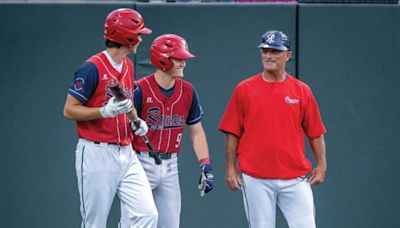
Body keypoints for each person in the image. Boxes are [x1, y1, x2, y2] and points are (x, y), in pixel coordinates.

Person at [218, 30, 327, 228]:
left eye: (275, 51)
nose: (268, 55)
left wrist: (321, 164)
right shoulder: (244, 89)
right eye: (265, 50)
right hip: (256, 177)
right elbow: (232, 131)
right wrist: (230, 167)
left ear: (287, 55)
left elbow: (315, 132)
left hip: (295, 177)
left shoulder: (302, 90)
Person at [63, 8, 158, 228]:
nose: (141, 38)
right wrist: (102, 112)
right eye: (138, 33)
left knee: (147, 214)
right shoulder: (91, 68)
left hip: (126, 151)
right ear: (126, 36)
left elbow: (125, 103)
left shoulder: (126, 65)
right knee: (95, 223)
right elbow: (69, 110)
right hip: (97, 153)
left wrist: (137, 121)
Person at [119, 34, 214, 228]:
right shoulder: (140, 89)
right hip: (140, 161)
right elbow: (123, 130)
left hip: (171, 165)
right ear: (162, 59)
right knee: (135, 222)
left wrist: (205, 164)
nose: (183, 63)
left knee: (171, 224)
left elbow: (196, 130)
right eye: (178, 58)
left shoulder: (188, 91)